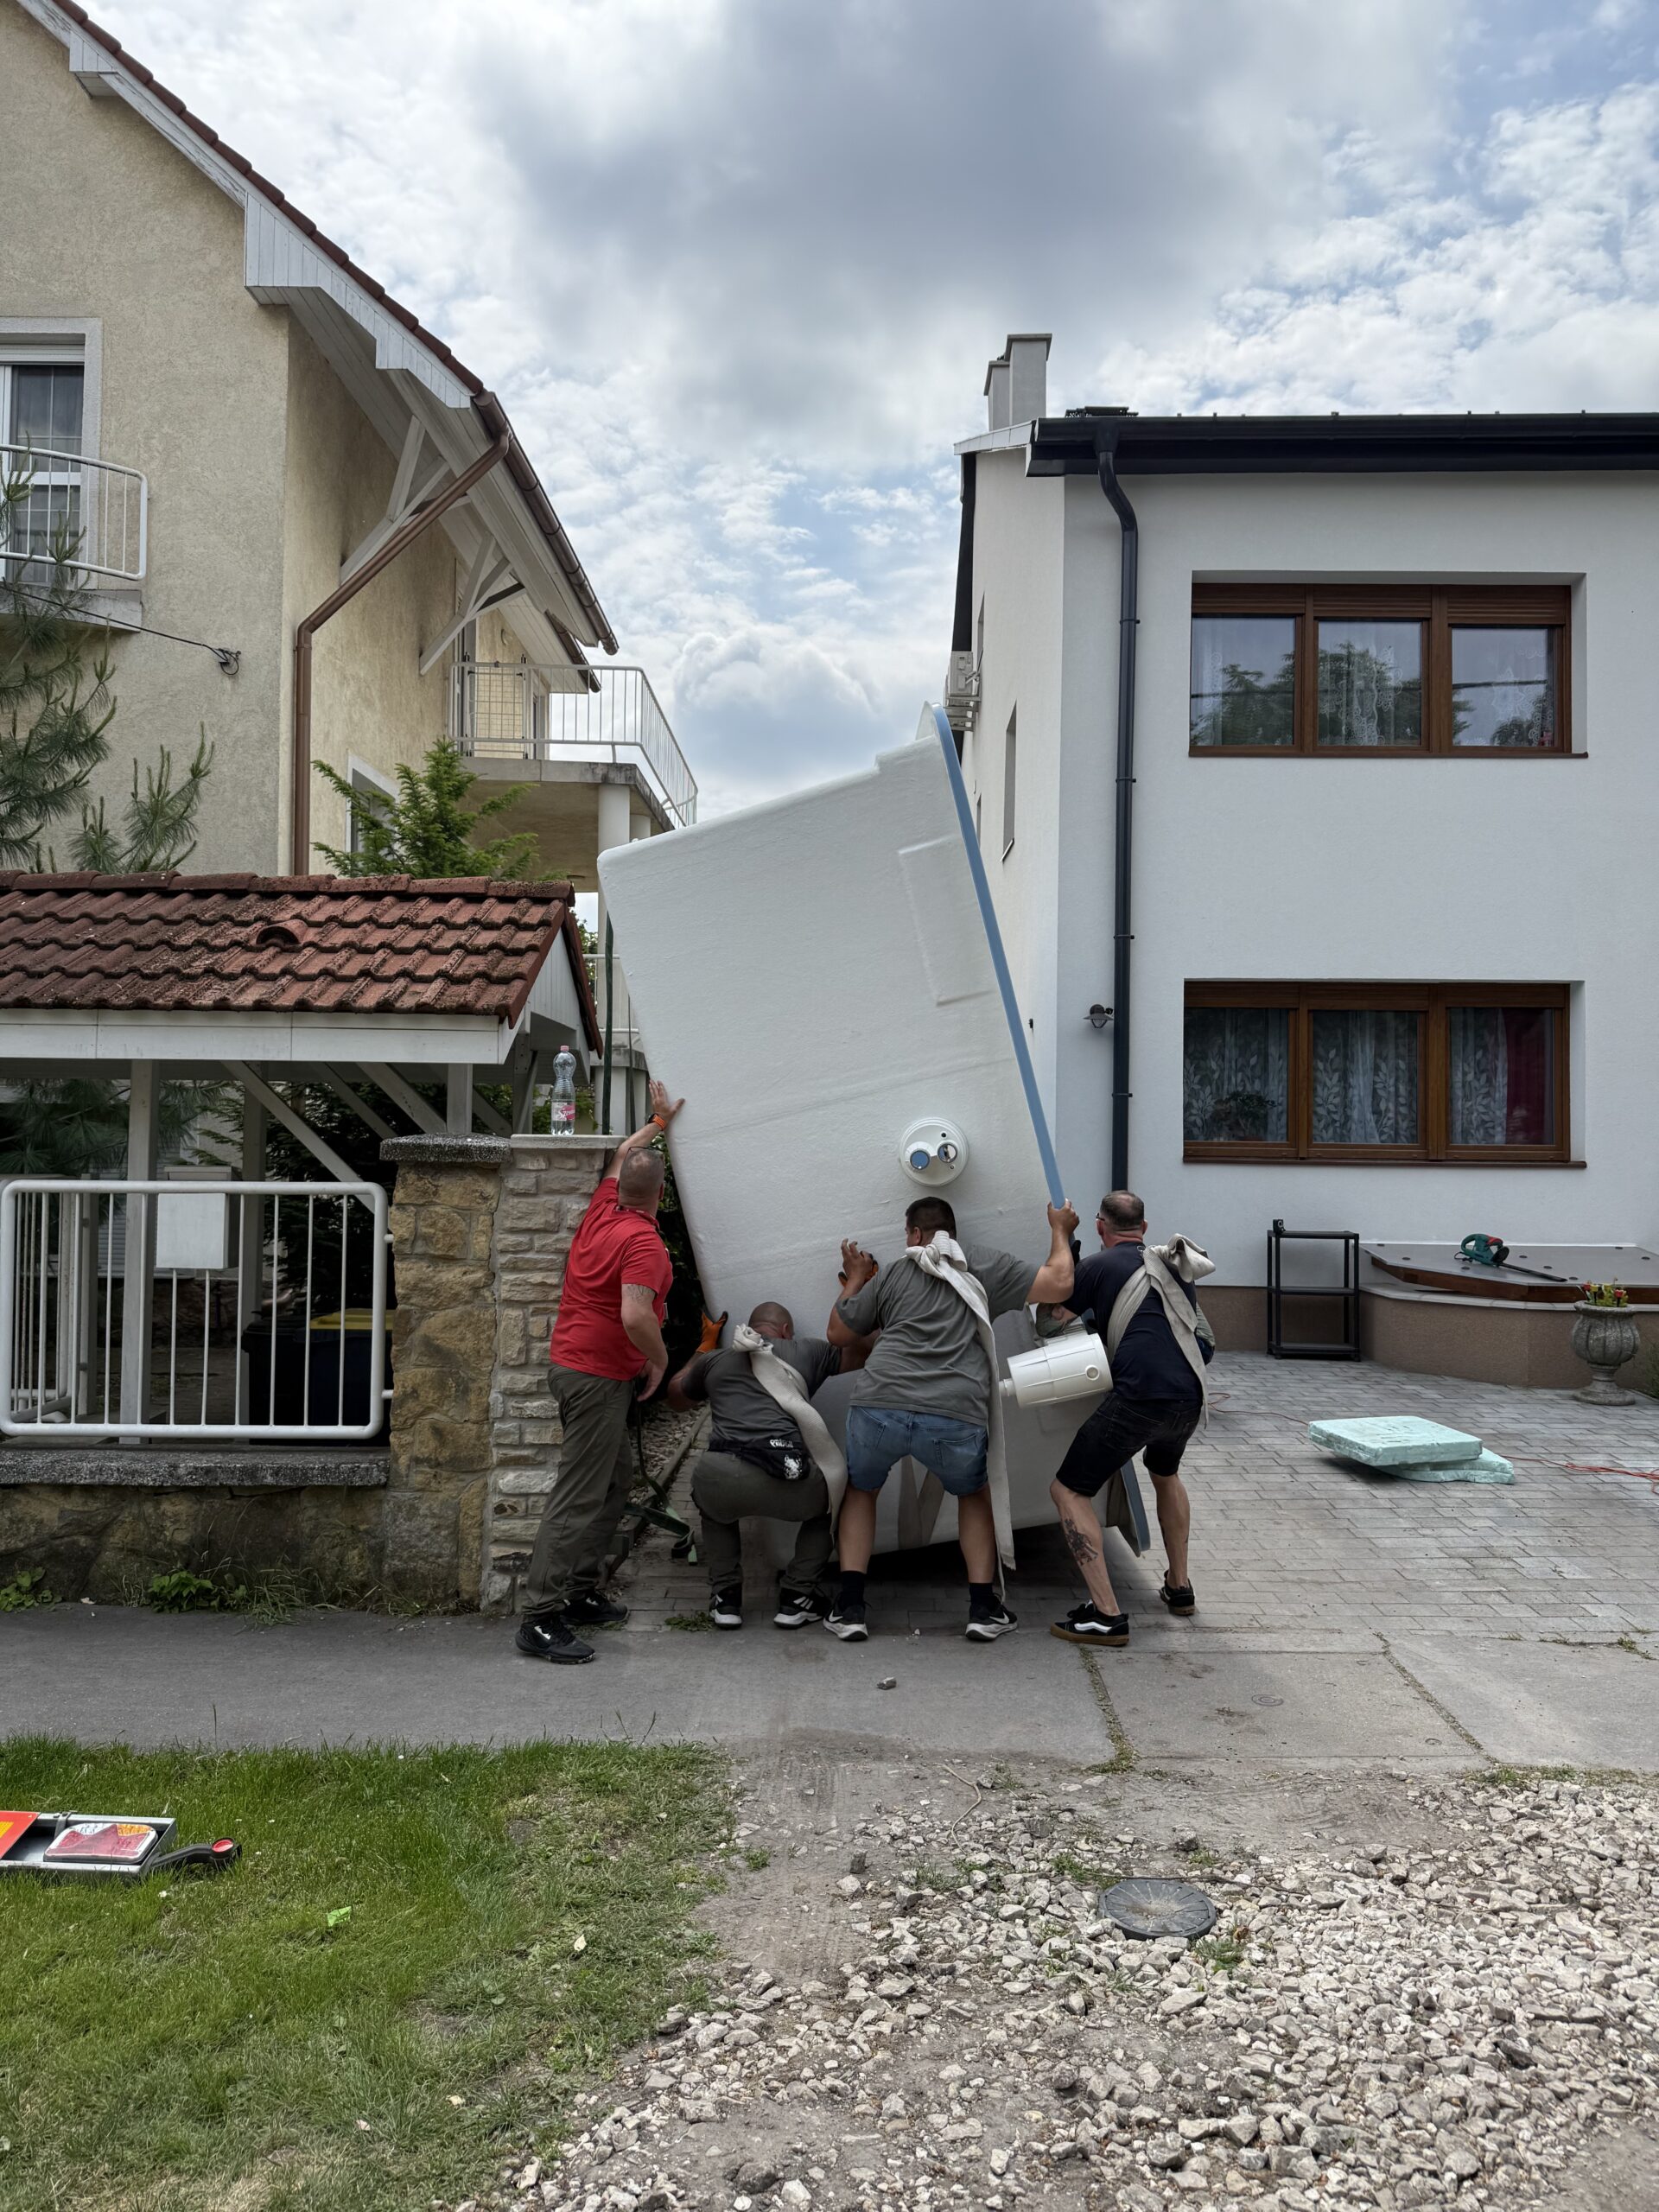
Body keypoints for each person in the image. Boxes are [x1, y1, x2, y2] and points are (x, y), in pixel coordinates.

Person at [826, 1192, 1078, 1643]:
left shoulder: (896, 1272)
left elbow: (838, 1332)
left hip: (879, 1405)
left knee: (862, 1490)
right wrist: (1060, 1228)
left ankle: (850, 1610)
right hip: (954, 1413)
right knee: (972, 1494)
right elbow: (1060, 1283)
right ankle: (982, 1610)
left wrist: (857, 1278)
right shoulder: (985, 1265)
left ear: (915, 1234)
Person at [517, 1079, 683, 1666]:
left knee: (613, 1482)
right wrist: (659, 1360)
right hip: (596, 1379)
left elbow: (621, 1155)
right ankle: (540, 1617)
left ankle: (580, 1591)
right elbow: (636, 1315)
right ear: (660, 1194)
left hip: (579, 1370)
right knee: (579, 1496)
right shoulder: (644, 1245)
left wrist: (657, 1125)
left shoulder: (602, 1209)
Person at [1046, 1189, 1215, 1649]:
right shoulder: (1174, 1266)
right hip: (1189, 1397)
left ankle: (1106, 1615)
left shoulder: (1096, 1266)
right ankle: (1179, 1587)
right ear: (1143, 1227)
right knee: (1165, 1473)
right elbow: (1200, 1334)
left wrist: (1064, 1246)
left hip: (1139, 1396)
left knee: (1068, 1490)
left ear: (1100, 1226)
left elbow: (1050, 1321)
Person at [667, 1302, 869, 1630]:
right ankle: (796, 1597)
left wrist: (704, 1348)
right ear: (786, 1331)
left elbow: (675, 1396)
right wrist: (855, 1297)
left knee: (715, 1507)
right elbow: (864, 1350)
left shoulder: (715, 1360)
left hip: (723, 1472)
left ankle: (726, 1599)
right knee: (833, 1501)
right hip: (788, 1477)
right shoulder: (808, 1351)